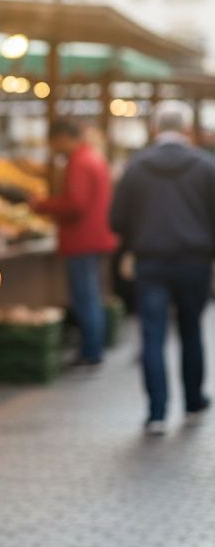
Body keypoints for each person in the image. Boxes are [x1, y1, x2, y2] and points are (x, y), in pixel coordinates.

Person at [110, 100, 215, 434]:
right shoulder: (205, 165)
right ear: (186, 129)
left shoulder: (137, 166)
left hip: (150, 261)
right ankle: (193, 401)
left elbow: (116, 219)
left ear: (155, 128)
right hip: (195, 261)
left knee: (152, 334)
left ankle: (156, 413)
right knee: (191, 330)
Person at [33, 118, 118, 367]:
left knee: (85, 296)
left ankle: (91, 352)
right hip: (94, 237)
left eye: (53, 142)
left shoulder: (79, 162)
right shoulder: (93, 157)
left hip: (82, 240)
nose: (53, 147)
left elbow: (75, 204)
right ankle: (94, 348)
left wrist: (42, 205)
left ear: (62, 137)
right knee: (91, 295)